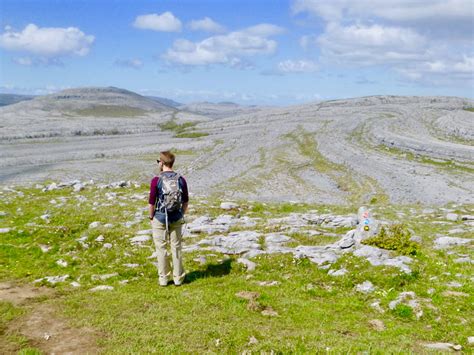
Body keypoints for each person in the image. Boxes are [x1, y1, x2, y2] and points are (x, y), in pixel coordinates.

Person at [148, 151, 189, 286]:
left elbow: (151, 202)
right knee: (176, 247)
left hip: (160, 217)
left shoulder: (156, 180)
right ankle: (178, 278)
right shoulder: (181, 179)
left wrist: (151, 216)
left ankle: (164, 279)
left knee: (161, 248)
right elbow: (185, 201)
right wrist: (181, 214)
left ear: (162, 163)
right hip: (176, 217)